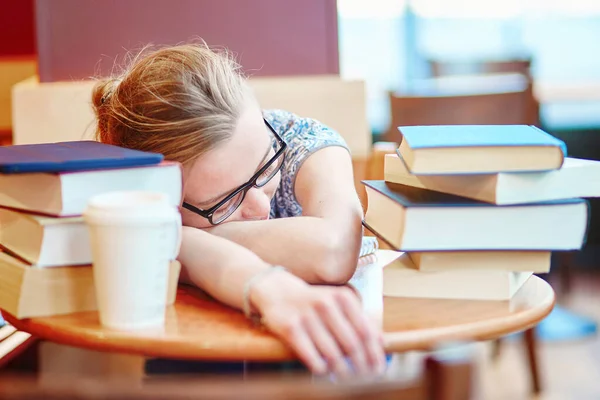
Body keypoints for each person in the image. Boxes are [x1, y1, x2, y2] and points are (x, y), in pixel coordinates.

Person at [92, 42, 386, 377]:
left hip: (337, 355)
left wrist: (185, 237)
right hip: (196, 354)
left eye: (264, 166)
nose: (261, 205)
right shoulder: (120, 196)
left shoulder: (298, 141)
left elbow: (332, 251)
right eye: (226, 200)